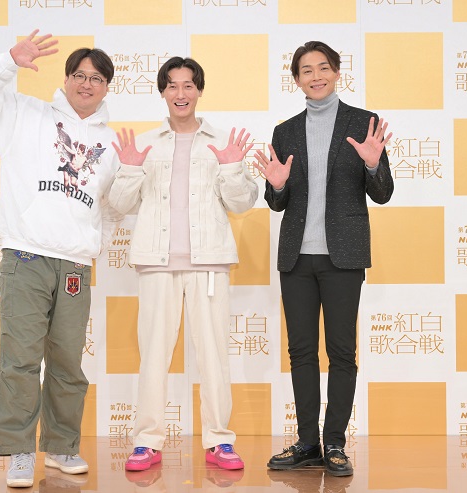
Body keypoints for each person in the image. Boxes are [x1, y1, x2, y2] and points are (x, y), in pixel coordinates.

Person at [0, 30, 122, 488]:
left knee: (68, 362)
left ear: (107, 87)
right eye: (79, 75)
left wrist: (92, 242)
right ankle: (19, 451)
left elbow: (111, 208)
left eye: (96, 78)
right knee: (19, 359)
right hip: (27, 257)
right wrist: (8, 61)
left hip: (75, 265)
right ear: (67, 79)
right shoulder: (26, 114)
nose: (87, 84)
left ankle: (60, 446)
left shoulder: (112, 145)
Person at [108, 56, 258, 473]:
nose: (180, 93)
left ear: (199, 90)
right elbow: (118, 204)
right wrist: (129, 169)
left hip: (209, 264)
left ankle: (219, 440)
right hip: (156, 264)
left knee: (214, 356)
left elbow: (242, 203)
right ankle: (146, 442)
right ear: (162, 92)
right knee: (154, 355)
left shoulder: (221, 142)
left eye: (188, 85)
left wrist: (231, 166)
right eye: (172, 85)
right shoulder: (145, 144)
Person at [255, 41, 393, 477]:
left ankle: (335, 443)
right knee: (301, 352)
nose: (315, 76)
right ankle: (307, 443)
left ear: (336, 72)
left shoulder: (363, 123)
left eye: (323, 68)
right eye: (306, 70)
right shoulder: (285, 131)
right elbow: (277, 201)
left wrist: (373, 165)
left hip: (343, 257)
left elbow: (383, 193)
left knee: (341, 352)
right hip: (296, 258)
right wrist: (277, 186)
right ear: (296, 80)